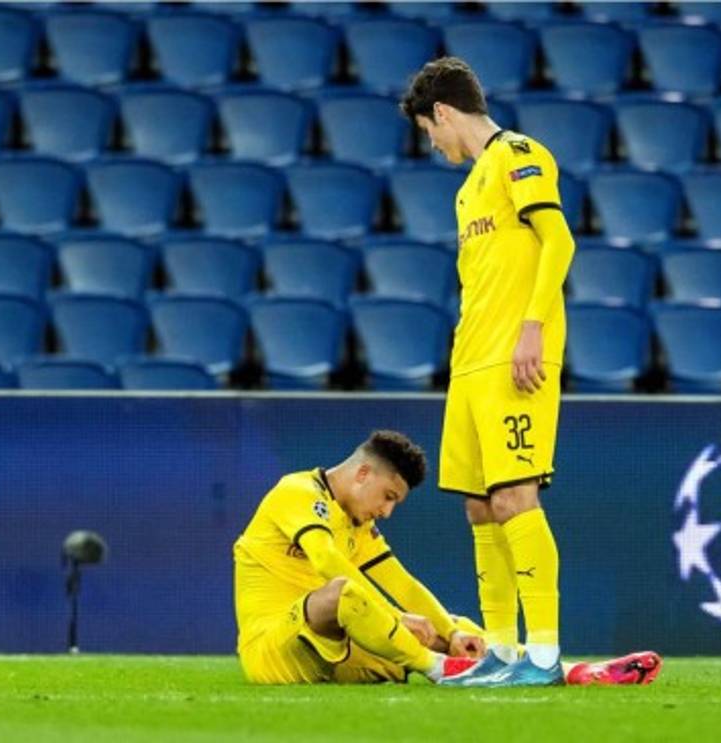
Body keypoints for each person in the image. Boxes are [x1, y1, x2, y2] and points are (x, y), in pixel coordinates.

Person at [400, 57, 578, 686]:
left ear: (443, 112)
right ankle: (502, 651)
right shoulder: (468, 189)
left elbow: (559, 241)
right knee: (480, 507)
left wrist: (532, 328)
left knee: (514, 496)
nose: (433, 143)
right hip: (471, 362)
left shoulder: (520, 155)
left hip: (514, 355)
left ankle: (544, 654)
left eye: (429, 130)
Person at [233, 430, 487, 685]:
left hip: (335, 653)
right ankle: (436, 667)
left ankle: (500, 658)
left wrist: (452, 633)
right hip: (273, 651)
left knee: (446, 626)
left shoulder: (357, 525)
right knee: (342, 593)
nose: (387, 512)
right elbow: (325, 559)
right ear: (363, 474)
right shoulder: (297, 492)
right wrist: (396, 617)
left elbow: (403, 585)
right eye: (388, 497)